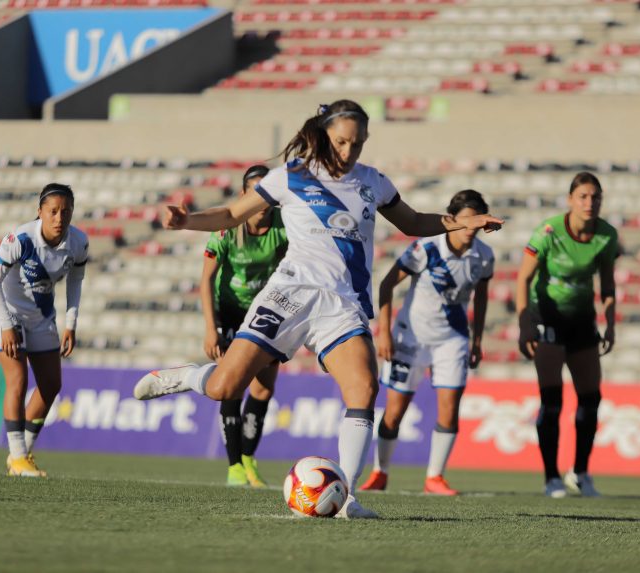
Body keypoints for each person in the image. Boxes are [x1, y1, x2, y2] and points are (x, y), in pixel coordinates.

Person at [133, 99, 503, 518]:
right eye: (342, 142)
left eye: (358, 144)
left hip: (341, 304)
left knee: (364, 389)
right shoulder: (290, 177)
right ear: (325, 135)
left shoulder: (373, 182)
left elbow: (414, 222)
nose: (349, 152)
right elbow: (232, 214)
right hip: (289, 293)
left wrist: (462, 223)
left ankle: (345, 499)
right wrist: (186, 220)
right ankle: (185, 377)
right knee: (224, 388)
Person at [360, 189, 494, 496]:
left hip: (452, 340)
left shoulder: (484, 256)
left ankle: (435, 477)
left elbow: (482, 296)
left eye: (477, 221)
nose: (471, 228)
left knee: (449, 409)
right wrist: (385, 331)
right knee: (394, 411)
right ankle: (380, 472)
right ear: (452, 220)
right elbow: (387, 283)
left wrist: (477, 339)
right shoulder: (427, 248)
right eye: (466, 221)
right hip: (412, 337)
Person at [515, 171, 618, 498]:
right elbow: (523, 279)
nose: (590, 203)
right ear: (570, 200)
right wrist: (525, 324)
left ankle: (581, 472)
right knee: (553, 401)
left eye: (595, 197)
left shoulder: (606, 235)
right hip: (547, 320)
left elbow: (608, 284)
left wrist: (611, 323)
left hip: (583, 323)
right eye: (583, 197)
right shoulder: (548, 231)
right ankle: (551, 478)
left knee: (591, 399)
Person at [0, 183, 88, 477]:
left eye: (65, 211)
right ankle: (17, 457)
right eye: (52, 211)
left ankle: (22, 454)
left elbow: (76, 281)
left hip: (41, 315)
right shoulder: (21, 238)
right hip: (7, 311)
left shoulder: (79, 242)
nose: (59, 218)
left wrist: (72, 323)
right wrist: (5, 326)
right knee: (17, 379)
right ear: (40, 212)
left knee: (51, 385)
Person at [200, 165, 288, 487]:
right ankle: (234, 466)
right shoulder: (226, 231)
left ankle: (249, 459)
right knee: (233, 386)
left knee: (264, 388)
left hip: (265, 314)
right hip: (232, 313)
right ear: (243, 196)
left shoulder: (284, 226)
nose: (263, 202)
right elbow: (206, 279)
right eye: (256, 194)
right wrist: (212, 329)